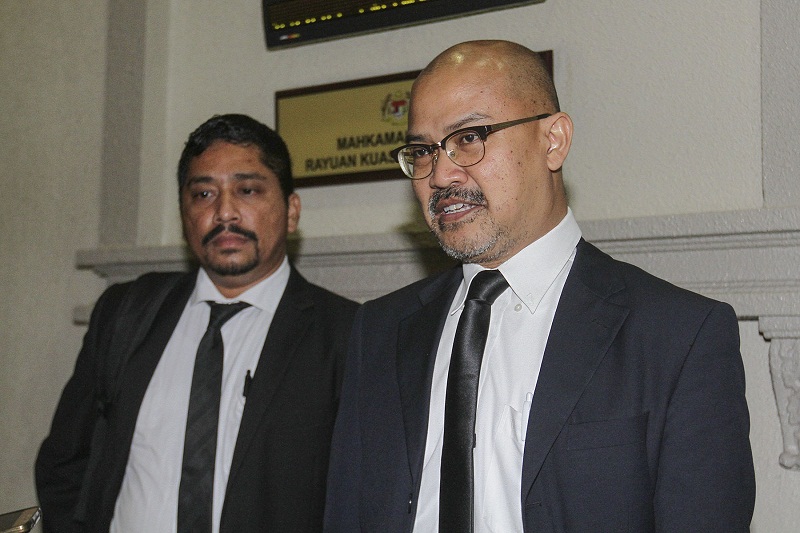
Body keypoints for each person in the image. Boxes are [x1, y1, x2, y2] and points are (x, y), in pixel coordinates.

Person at [324, 41, 755, 532]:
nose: (440, 174)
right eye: (423, 151)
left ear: (554, 141)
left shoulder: (677, 336)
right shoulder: (380, 330)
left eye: (469, 137)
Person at [36, 114, 358, 533]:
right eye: (204, 194)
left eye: (247, 190)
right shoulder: (126, 312)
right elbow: (64, 462)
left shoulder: (347, 335)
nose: (224, 212)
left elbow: (362, 496)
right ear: (184, 213)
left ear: (291, 211)